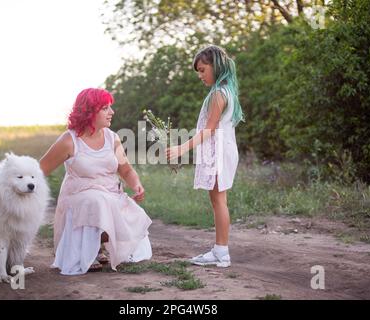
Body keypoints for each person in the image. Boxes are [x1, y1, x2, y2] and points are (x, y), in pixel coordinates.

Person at [40, 88, 152, 275]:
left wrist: (136, 184)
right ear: (90, 111)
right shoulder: (69, 140)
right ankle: (88, 252)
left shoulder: (112, 138)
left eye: (110, 107)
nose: (112, 112)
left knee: (125, 209)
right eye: (105, 108)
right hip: (79, 196)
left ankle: (99, 246)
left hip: (109, 192)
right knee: (97, 201)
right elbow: (39, 170)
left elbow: (125, 169)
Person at [166, 45, 244, 268]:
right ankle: (219, 250)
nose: (200, 75)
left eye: (202, 69)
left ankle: (222, 252)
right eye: (198, 71)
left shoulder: (219, 94)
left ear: (215, 66)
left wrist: (182, 149)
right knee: (219, 200)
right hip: (224, 150)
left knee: (219, 201)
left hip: (219, 152)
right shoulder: (226, 90)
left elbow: (208, 130)